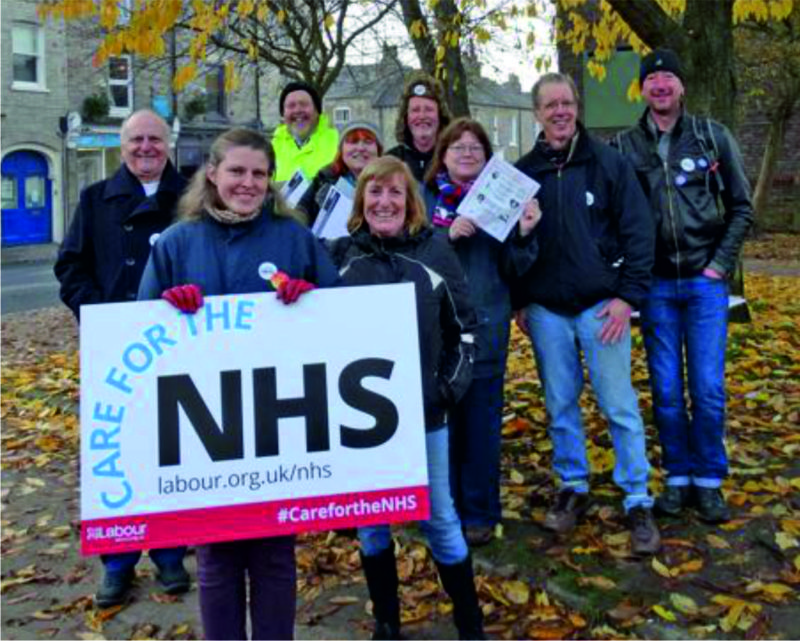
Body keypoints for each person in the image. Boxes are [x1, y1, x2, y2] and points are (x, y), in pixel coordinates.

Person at [138, 127, 341, 640]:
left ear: (270, 180)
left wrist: (309, 297)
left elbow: (339, 318)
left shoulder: (294, 238)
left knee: (275, 553)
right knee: (215, 556)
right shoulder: (179, 242)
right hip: (204, 423)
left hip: (278, 419)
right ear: (212, 173)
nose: (247, 183)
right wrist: (167, 305)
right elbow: (138, 328)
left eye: (258, 173)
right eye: (236, 171)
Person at [327, 156, 484, 640]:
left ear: (411, 201)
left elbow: (466, 331)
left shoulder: (435, 252)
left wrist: (445, 391)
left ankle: (470, 624)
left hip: (425, 417)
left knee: (440, 519)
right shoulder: (338, 256)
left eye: (395, 192)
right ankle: (387, 622)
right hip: (362, 420)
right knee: (373, 526)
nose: (385, 202)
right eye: (375, 192)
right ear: (360, 201)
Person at [512, 73, 661, 556]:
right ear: (536, 113)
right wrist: (519, 299)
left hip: (603, 307)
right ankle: (573, 485)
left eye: (567, 103)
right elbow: (507, 244)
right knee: (560, 403)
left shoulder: (609, 164)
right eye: (550, 104)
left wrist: (627, 298)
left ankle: (637, 496)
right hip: (547, 310)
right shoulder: (521, 173)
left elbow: (640, 233)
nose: (560, 112)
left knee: (619, 404)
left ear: (577, 108)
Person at [54, 109, 190, 607]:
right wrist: (100, 318)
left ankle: (171, 554)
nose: (146, 148)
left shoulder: (194, 199)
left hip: (179, 346)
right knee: (118, 454)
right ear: (124, 143)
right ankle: (118, 559)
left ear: (169, 142)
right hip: (116, 349)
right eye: (136, 140)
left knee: (173, 449)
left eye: (155, 139)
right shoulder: (95, 200)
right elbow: (71, 266)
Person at [613, 50, 755, 523]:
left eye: (667, 76)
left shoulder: (712, 137)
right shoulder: (625, 146)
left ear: (681, 86)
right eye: (651, 78)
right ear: (642, 89)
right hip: (654, 286)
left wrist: (719, 265)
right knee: (667, 389)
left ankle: (709, 480)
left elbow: (741, 206)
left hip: (703, 282)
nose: (660, 85)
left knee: (709, 387)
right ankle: (677, 476)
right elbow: (614, 217)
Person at [424, 118, 542, 546]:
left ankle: (480, 511)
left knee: (482, 426)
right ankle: (445, 506)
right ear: (444, 154)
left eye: (475, 147)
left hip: (487, 328)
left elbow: (513, 268)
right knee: (443, 426)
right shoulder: (426, 198)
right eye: (458, 147)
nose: (467, 154)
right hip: (436, 333)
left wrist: (526, 233)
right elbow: (411, 258)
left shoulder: (503, 201)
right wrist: (445, 235)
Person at [297, 121, 383, 226]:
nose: (360, 148)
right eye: (353, 141)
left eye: (368, 141)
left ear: (378, 150)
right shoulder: (323, 180)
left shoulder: (392, 183)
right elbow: (301, 213)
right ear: (341, 150)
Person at [387, 72, 452, 183]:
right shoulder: (390, 161)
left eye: (429, 109)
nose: (422, 116)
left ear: (440, 115)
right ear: (406, 117)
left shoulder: (453, 159)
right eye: (415, 110)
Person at [272, 80, 339, 183]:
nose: (298, 110)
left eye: (304, 104)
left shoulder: (339, 143)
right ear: (283, 115)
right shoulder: (270, 150)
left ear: (317, 111)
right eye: (291, 106)